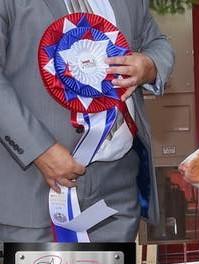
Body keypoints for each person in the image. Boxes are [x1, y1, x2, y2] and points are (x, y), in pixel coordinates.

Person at [0, 0, 174, 243]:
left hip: (117, 191)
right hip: (34, 188)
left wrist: (150, 64)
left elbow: (156, 42)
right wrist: (40, 150)